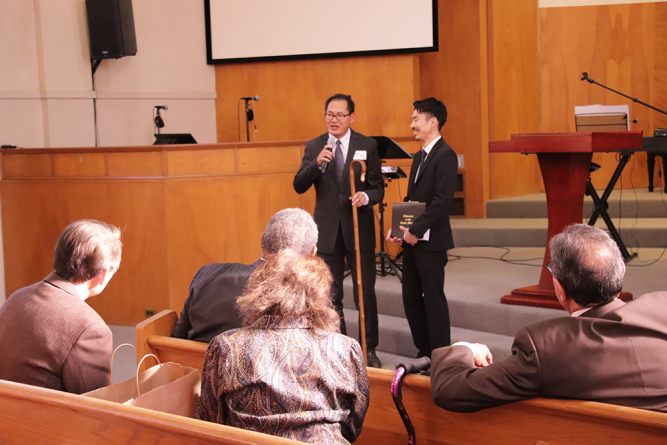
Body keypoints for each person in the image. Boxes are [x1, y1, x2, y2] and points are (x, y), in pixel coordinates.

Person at [430, 224, 667, 413]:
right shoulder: (662, 307)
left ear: (560, 290)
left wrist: (465, 349)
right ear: (622, 270)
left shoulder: (546, 347)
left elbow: (449, 390)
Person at [196, 249, 370, 444]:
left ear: (258, 291)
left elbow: (210, 419)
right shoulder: (345, 348)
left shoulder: (227, 346)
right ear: (319, 297)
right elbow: (353, 424)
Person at [293, 94, 384, 368]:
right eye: (329, 115)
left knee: (365, 291)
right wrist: (315, 162)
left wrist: (366, 198)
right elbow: (299, 184)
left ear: (351, 117)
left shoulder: (367, 145)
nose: (333, 120)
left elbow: (378, 186)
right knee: (331, 296)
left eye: (339, 115)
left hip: (359, 230)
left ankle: (369, 350)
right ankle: (339, 349)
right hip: (328, 231)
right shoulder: (315, 146)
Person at [0, 219, 122, 394]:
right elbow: (96, 407)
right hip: (41, 419)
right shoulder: (90, 328)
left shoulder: (17, 297)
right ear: (103, 274)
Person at [172, 208, 318, 343]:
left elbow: (176, 339)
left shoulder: (206, 274)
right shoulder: (301, 296)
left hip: (193, 369)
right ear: (312, 254)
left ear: (262, 240)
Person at [387, 97, 458, 358]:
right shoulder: (418, 156)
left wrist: (414, 230)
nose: (412, 124)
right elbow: (412, 202)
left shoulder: (446, 155)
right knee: (411, 299)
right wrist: (398, 228)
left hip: (432, 241)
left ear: (433, 121)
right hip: (413, 241)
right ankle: (424, 349)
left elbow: (442, 202)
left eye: (416, 119)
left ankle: (440, 354)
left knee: (433, 299)